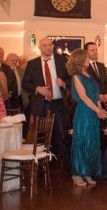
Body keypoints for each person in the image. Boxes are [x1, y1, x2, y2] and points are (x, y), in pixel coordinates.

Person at [22, 36, 71, 170]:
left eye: (50, 45)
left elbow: (73, 79)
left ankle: (65, 166)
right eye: (45, 45)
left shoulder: (62, 61)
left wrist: (65, 83)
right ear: (40, 48)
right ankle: (42, 165)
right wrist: (38, 89)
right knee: (42, 137)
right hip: (41, 104)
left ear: (53, 46)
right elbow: (25, 83)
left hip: (59, 103)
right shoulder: (32, 64)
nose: (48, 47)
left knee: (61, 135)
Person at [68, 49, 106, 186]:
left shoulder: (89, 75)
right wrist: (97, 109)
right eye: (85, 57)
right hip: (84, 112)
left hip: (93, 112)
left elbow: (95, 95)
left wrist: (100, 109)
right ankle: (78, 174)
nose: (88, 59)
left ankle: (88, 172)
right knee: (81, 141)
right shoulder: (76, 76)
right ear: (79, 60)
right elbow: (83, 97)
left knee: (92, 142)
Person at [0, 47, 21, 114]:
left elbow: (11, 81)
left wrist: (9, 92)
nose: (1, 55)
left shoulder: (6, 67)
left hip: (5, 99)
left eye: (3, 53)